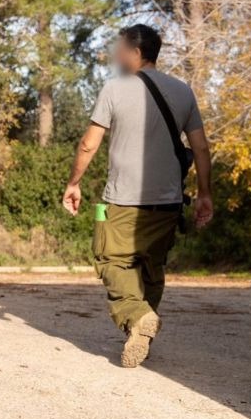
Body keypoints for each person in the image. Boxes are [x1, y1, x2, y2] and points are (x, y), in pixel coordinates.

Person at [61, 24, 213, 368]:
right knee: (151, 265)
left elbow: (89, 143)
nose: (116, 55)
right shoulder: (183, 91)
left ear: (134, 52)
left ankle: (137, 315)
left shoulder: (114, 89)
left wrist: (74, 183)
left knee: (110, 259)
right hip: (170, 203)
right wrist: (205, 194)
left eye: (120, 49)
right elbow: (201, 148)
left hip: (120, 201)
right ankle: (142, 326)